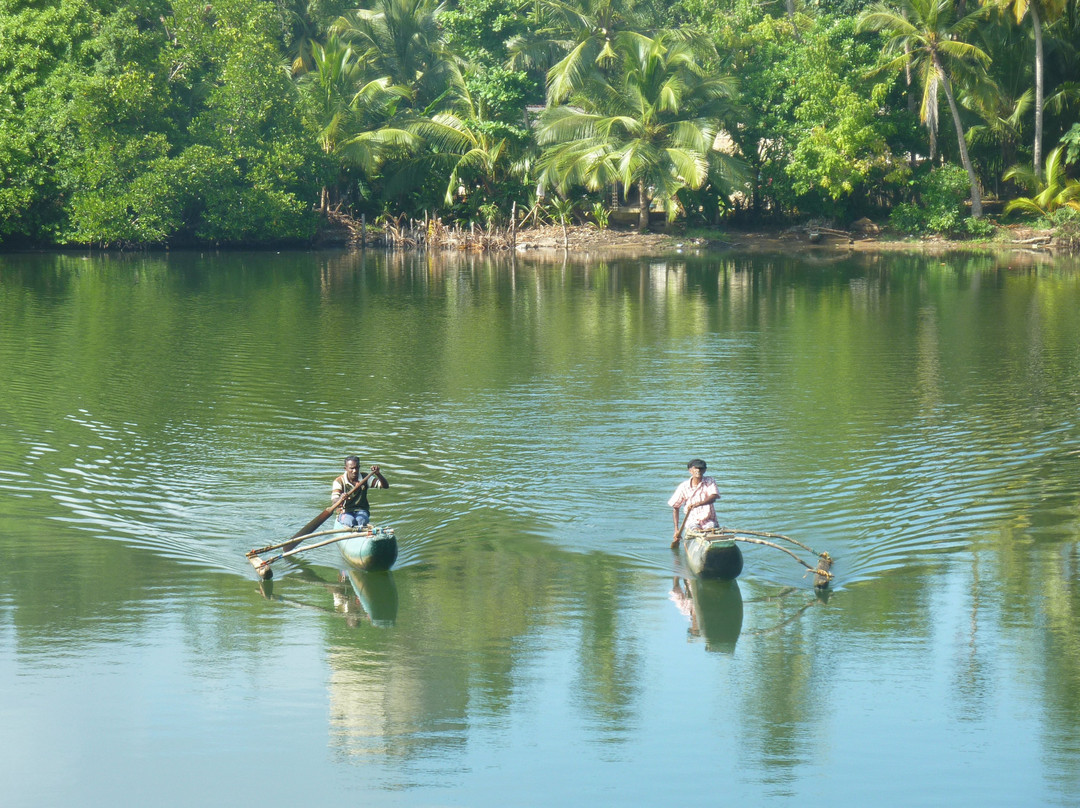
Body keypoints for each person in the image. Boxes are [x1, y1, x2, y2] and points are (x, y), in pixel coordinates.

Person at [668, 459, 719, 547]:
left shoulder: (710, 481)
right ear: (690, 470)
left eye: (701, 468)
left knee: (711, 530)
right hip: (692, 521)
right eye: (696, 468)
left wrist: (698, 504)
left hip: (709, 520)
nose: (698, 470)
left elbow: (713, 497)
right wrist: (676, 529)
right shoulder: (684, 487)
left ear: (704, 470)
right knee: (695, 530)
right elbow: (676, 507)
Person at [332, 456, 389, 529]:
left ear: (359, 467)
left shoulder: (365, 477)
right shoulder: (339, 481)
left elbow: (385, 486)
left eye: (356, 468)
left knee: (362, 520)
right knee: (349, 521)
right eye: (351, 468)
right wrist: (341, 498)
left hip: (361, 510)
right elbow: (334, 502)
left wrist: (378, 474)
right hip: (345, 511)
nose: (355, 471)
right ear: (345, 469)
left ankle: (360, 531)